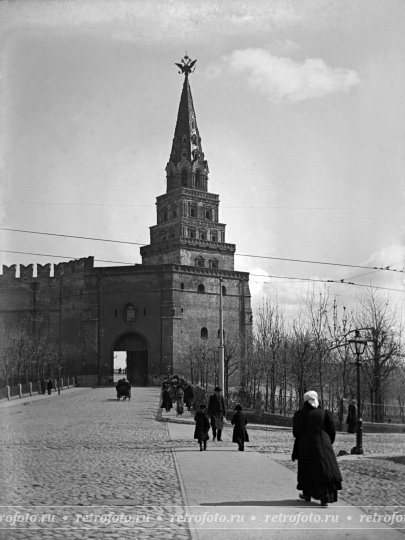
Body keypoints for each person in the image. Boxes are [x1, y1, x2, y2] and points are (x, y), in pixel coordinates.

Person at [292, 390, 342, 507]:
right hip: (324, 445)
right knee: (324, 469)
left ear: (305, 401)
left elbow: (296, 432)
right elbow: (331, 431)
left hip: (306, 446)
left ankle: (307, 494)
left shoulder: (300, 414)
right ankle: (325, 497)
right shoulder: (324, 413)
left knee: (307, 470)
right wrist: (328, 443)